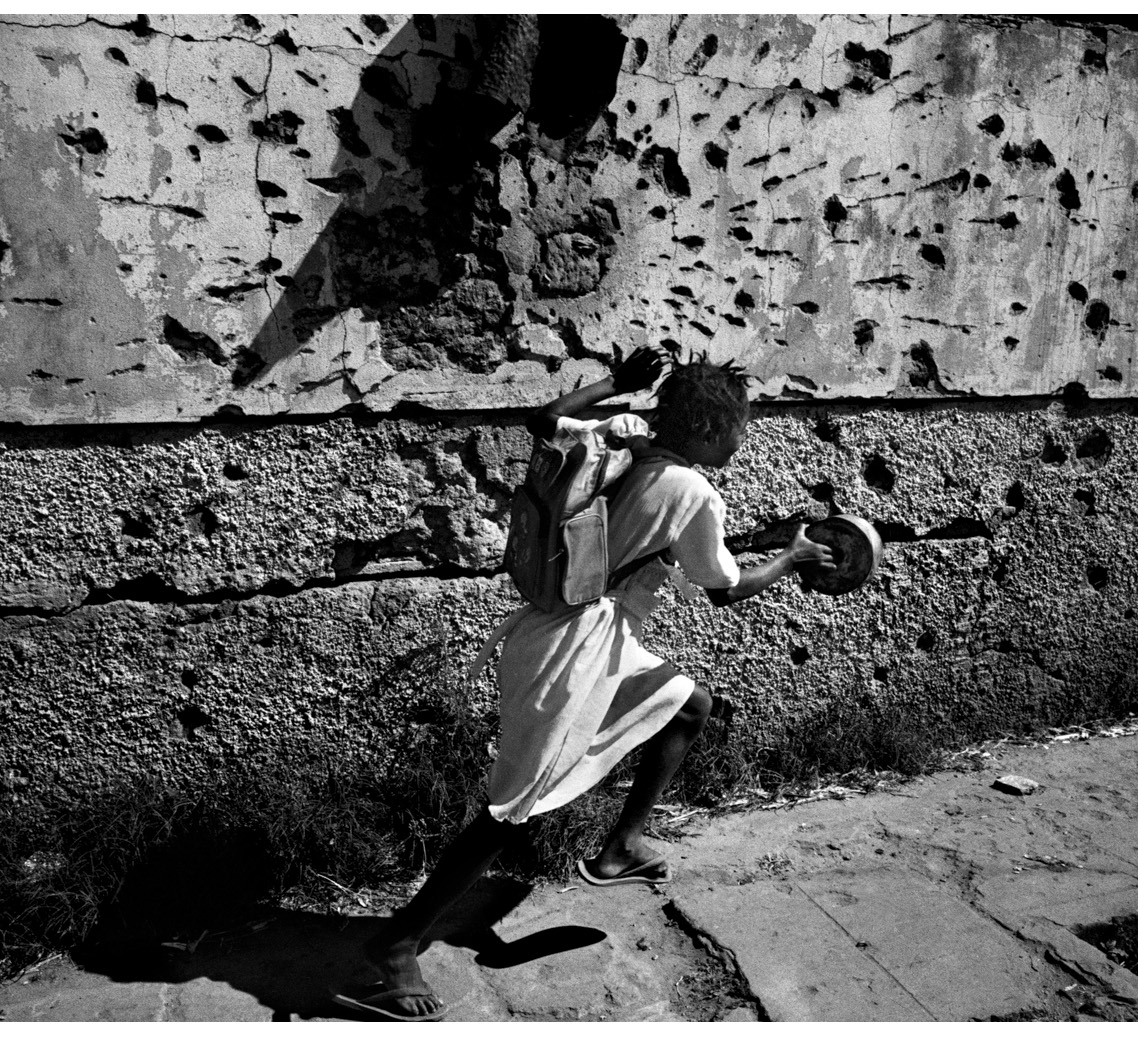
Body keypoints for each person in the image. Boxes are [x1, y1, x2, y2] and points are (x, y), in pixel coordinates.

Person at [333, 347, 836, 1020]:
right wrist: (792, 557)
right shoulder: (692, 491)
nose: (742, 441)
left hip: (588, 633)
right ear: (714, 430)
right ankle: (396, 942)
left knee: (688, 704)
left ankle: (619, 847)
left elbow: (546, 420)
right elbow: (726, 588)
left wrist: (612, 385)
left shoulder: (624, 440)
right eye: (740, 428)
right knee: (512, 809)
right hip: (572, 647)